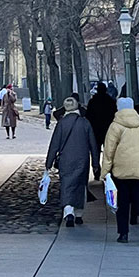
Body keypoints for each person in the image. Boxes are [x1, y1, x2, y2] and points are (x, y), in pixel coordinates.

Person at [100, 97, 139, 245]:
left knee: (123, 202)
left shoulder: (115, 126)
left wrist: (104, 173)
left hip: (122, 170)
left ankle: (123, 234)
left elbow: (109, 151)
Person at [44, 96, 99, 228]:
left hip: (65, 160)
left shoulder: (61, 124)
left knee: (66, 185)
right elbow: (93, 144)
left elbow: (54, 145)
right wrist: (95, 163)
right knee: (80, 185)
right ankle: (79, 214)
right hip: (82, 159)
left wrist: (48, 163)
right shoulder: (85, 123)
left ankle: (68, 211)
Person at [85, 81, 117, 172]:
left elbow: (88, 116)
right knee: (109, 150)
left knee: (95, 151)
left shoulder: (92, 101)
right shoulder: (110, 101)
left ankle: (96, 169)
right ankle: (108, 169)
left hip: (95, 130)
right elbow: (114, 114)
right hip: (108, 129)